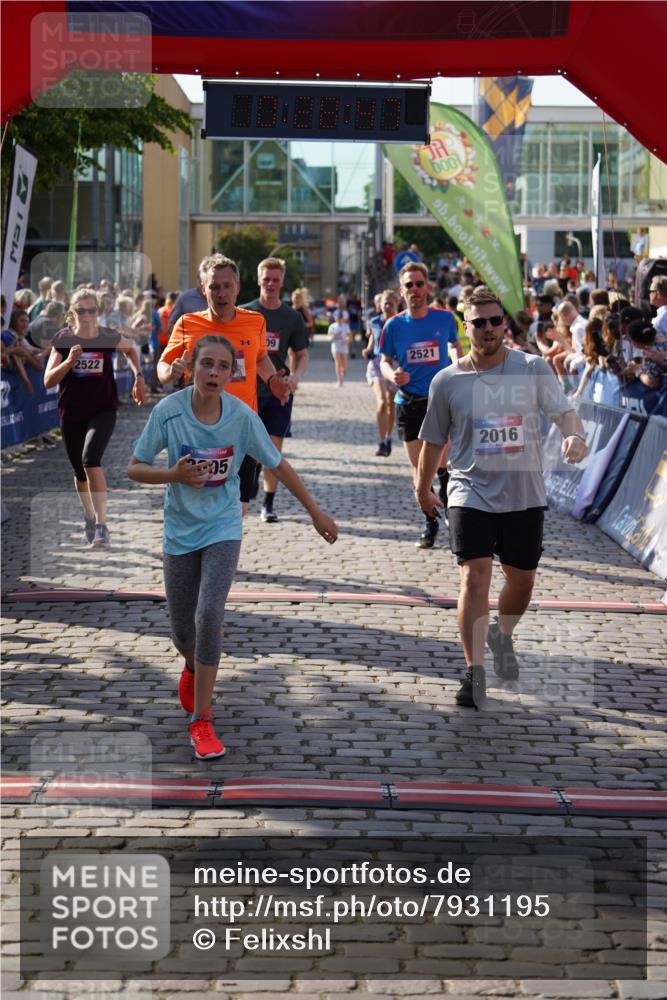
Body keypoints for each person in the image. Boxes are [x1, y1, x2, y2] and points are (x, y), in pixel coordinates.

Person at [128, 335, 337, 760]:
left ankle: (201, 720)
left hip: (223, 527)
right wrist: (174, 476)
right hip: (179, 532)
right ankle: (191, 664)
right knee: (183, 633)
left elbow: (278, 464)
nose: (214, 373)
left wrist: (315, 512)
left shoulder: (242, 417)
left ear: (232, 373)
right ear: (192, 367)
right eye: (206, 364)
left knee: (210, 615)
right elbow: (134, 467)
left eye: (223, 366)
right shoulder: (169, 412)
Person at [415, 288, 588, 709]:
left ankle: (502, 634)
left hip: (524, 492)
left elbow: (563, 412)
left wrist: (575, 435)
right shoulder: (448, 380)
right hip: (469, 490)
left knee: (522, 581)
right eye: (479, 322)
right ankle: (474, 673)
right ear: (466, 326)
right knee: (474, 576)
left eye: (495, 321)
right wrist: (422, 488)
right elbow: (433, 441)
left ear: (504, 324)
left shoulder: (532, 369)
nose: (488, 329)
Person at [158, 253, 291, 513]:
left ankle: (222, 552)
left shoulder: (254, 322)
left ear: (238, 287)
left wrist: (273, 379)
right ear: (203, 289)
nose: (221, 293)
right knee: (197, 505)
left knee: (238, 509)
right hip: (198, 430)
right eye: (214, 287)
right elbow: (163, 366)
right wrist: (170, 372)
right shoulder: (188, 324)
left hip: (243, 427)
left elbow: (261, 357)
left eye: (227, 286)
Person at [43, 287, 147, 547]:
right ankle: (89, 516)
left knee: (91, 460)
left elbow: (132, 350)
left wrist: (139, 377)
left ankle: (102, 526)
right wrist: (69, 362)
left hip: (103, 409)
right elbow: (48, 380)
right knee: (79, 472)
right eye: (81, 310)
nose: (87, 315)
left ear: (98, 312)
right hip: (72, 412)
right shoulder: (64, 339)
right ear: (72, 312)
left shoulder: (108, 336)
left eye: (92, 310)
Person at [379, 261, 461, 549]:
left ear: (427, 287)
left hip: (438, 401)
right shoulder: (393, 325)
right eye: (409, 285)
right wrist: (392, 375)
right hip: (408, 402)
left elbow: (455, 346)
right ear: (402, 292)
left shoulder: (445, 319)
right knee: (418, 468)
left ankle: (450, 508)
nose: (415, 289)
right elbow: (384, 360)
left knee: (442, 461)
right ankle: (430, 522)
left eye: (419, 284)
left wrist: (457, 366)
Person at [243, 257, 309, 523]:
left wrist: (295, 377)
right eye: (266, 279)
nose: (270, 284)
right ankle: (251, 475)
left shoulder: (291, 317)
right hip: (247, 392)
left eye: (275, 279)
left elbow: (302, 355)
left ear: (282, 282)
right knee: (248, 448)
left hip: (278, 392)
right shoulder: (245, 313)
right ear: (259, 280)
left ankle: (268, 504)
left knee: (273, 450)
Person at [362, 289, 399, 456]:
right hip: (377, 363)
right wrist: (367, 349)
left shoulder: (401, 321)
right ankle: (381, 440)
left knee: (392, 404)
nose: (388, 306)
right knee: (382, 401)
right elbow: (372, 340)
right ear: (380, 305)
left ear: (397, 305)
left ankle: (389, 436)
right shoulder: (375, 321)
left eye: (391, 303)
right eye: (385, 303)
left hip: (395, 364)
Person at [328, 311, 352, 388]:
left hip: (344, 347)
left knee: (344, 364)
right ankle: (339, 380)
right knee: (337, 363)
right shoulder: (332, 326)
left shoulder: (346, 326)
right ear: (335, 318)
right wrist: (331, 338)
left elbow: (350, 337)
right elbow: (328, 336)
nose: (339, 319)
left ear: (342, 319)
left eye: (340, 318)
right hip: (335, 347)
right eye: (337, 318)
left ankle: (342, 374)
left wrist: (346, 341)